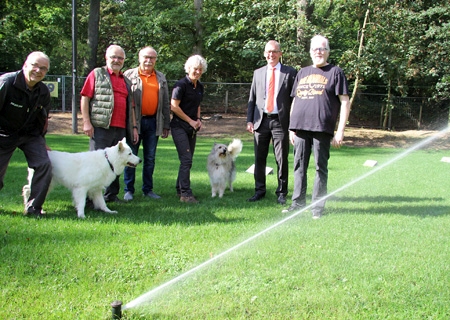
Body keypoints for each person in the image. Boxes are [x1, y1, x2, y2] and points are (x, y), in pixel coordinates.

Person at [283, 35, 350, 219]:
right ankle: (297, 203)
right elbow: (295, 101)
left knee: (320, 168)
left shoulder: (335, 72)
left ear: (328, 52)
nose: (318, 52)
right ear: (310, 52)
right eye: (315, 49)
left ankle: (317, 208)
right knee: (299, 167)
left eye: (322, 49)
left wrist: (340, 131)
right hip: (300, 128)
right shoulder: (302, 72)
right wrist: (291, 127)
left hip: (322, 128)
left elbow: (345, 102)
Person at [80, 44, 138, 203]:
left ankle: (110, 196)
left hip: (120, 129)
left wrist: (133, 127)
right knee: (97, 164)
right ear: (107, 58)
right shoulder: (97, 74)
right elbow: (85, 97)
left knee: (116, 163)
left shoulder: (126, 80)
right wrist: (86, 122)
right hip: (101, 127)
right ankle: (90, 199)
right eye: (114, 57)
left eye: (120, 58)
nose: (117, 60)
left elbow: (130, 106)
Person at [0, 51, 52, 217]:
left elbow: (42, 119)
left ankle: (34, 208)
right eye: (35, 66)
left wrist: (42, 141)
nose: (38, 71)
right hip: (4, 133)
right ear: (25, 65)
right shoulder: (6, 83)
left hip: (30, 135)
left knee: (44, 164)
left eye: (43, 68)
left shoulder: (43, 92)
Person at [246, 40, 297, 205]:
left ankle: (282, 192)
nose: (271, 55)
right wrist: (249, 120)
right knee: (259, 159)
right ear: (264, 54)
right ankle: (259, 190)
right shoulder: (258, 73)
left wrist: (293, 124)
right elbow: (252, 99)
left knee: (281, 159)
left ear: (280, 54)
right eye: (268, 52)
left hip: (280, 122)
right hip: (261, 122)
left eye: (274, 51)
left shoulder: (290, 73)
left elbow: (295, 99)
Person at [122, 46, 170, 201]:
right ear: (139, 58)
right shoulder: (128, 75)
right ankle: (128, 190)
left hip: (153, 122)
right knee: (131, 156)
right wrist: (129, 124)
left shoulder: (161, 77)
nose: (149, 60)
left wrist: (166, 124)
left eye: (152, 58)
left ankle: (148, 190)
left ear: (156, 60)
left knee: (150, 158)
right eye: (146, 57)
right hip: (134, 122)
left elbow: (166, 103)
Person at [170, 55, 207, 203]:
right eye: (195, 69)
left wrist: (198, 120)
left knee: (188, 159)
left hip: (192, 127)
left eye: (200, 69)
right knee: (186, 160)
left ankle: (180, 189)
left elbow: (198, 105)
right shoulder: (181, 85)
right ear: (188, 69)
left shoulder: (200, 86)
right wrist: (190, 121)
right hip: (179, 126)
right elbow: (174, 107)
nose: (197, 72)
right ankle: (186, 194)